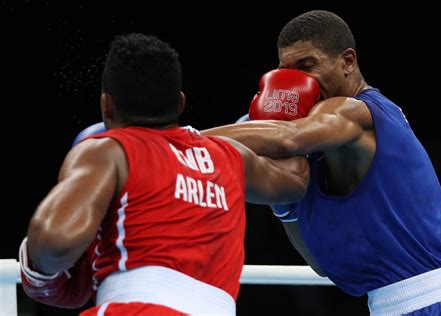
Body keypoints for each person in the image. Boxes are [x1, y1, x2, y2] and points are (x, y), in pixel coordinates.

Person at [202, 10, 441, 315]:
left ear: (347, 61)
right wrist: (286, 205)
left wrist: (180, 140)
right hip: (389, 305)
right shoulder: (318, 155)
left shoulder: (357, 111)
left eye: (307, 66)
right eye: (286, 70)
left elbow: (286, 137)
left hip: (437, 302)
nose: (295, 82)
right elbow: (321, 265)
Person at [18, 33, 310, 315]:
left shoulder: (108, 150)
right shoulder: (230, 156)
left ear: (107, 105)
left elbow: (55, 243)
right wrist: (294, 112)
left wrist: (40, 271)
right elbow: (296, 180)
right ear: (180, 103)